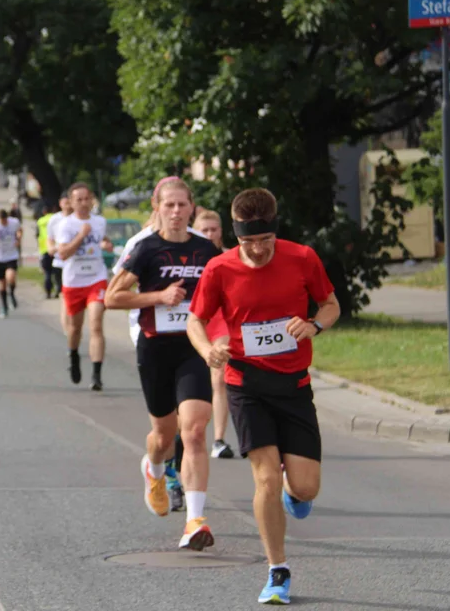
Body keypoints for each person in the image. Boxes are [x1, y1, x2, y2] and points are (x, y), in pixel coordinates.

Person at [187, 188, 339, 606]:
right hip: (246, 385)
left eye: (263, 241)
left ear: (275, 231)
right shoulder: (219, 269)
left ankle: (296, 493)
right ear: (236, 236)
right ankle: (278, 570)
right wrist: (208, 351)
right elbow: (195, 320)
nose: (255, 250)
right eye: (247, 242)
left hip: (293, 387)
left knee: (306, 489)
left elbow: (330, 304)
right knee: (266, 478)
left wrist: (314, 325)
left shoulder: (303, 258)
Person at [106, 177, 221, 550]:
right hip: (155, 349)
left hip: (192, 347)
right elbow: (113, 297)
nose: (175, 212)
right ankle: (153, 468)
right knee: (165, 437)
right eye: (168, 205)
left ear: (192, 208)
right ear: (156, 206)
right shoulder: (145, 249)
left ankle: (195, 520)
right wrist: (159, 296)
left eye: (181, 205)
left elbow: (227, 294)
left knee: (195, 432)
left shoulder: (207, 250)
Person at [54, 183, 113, 391]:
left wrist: (106, 244)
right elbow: (63, 253)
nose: (83, 203)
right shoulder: (66, 225)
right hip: (74, 281)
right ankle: (73, 354)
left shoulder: (99, 221)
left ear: (92, 200)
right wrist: (80, 235)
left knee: (96, 323)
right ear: (70, 202)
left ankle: (97, 374)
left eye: (87, 199)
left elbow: (101, 240)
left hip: (96, 278)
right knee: (75, 328)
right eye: (78, 199)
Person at [192, 208, 235, 460]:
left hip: (221, 321)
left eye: (213, 230)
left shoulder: (231, 257)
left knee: (219, 376)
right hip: (193, 321)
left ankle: (218, 439)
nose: (209, 235)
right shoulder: (186, 257)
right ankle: (188, 432)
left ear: (221, 231)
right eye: (203, 230)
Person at [45, 193, 72, 301]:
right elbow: (49, 237)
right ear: (60, 203)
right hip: (59, 260)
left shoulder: (77, 219)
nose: (68, 206)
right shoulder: (55, 219)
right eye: (65, 203)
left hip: (73, 260)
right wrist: (50, 247)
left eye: (69, 203)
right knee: (63, 293)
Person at [36, 204, 57, 299]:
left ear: (44, 212)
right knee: (57, 272)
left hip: (44, 248)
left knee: (47, 272)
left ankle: (48, 292)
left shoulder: (40, 221)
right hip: (55, 247)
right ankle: (58, 290)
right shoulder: (55, 219)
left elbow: (37, 234)